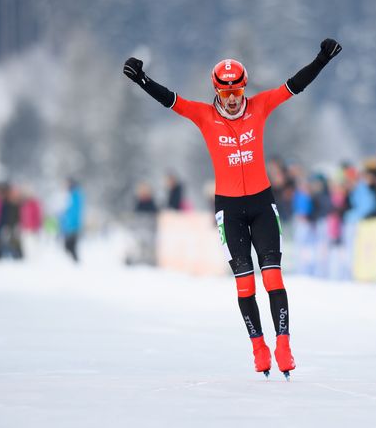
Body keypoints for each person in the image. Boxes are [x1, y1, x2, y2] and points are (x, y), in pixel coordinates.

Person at [124, 38, 342, 377]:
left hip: (261, 203)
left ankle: (283, 344)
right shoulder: (204, 115)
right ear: (215, 90)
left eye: (237, 93)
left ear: (244, 89)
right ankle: (258, 347)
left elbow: (294, 85)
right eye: (225, 94)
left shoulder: (260, 106)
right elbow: (172, 101)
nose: (231, 101)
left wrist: (321, 60)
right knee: (245, 285)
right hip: (229, 210)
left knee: (272, 278)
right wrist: (142, 79)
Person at [60, 178, 84, 263]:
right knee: (69, 246)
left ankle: (76, 263)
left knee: (70, 246)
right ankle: (74, 263)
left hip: (73, 225)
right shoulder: (71, 195)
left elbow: (74, 212)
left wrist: (69, 223)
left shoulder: (75, 195)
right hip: (69, 225)